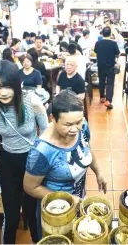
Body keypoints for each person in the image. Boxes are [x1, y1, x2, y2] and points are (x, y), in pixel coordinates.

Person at [23, 89, 107, 240]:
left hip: (78, 202)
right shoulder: (42, 151)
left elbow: (87, 149)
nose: (75, 129)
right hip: (56, 214)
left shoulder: (82, 127)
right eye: (68, 124)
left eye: (78, 122)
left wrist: (98, 172)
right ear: (53, 119)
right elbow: (30, 187)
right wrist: (68, 198)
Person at [0, 60, 48, 244]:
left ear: (17, 84)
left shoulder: (32, 101)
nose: (3, 92)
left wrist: (46, 165)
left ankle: (38, 241)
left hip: (32, 161)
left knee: (33, 213)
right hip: (7, 163)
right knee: (11, 216)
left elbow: (46, 134)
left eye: (8, 86)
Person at [94, 26, 120, 109]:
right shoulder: (113, 43)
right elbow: (118, 53)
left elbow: (95, 51)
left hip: (100, 66)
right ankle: (108, 100)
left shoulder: (98, 43)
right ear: (110, 34)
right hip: (110, 66)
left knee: (101, 81)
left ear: (102, 33)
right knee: (110, 83)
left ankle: (102, 97)